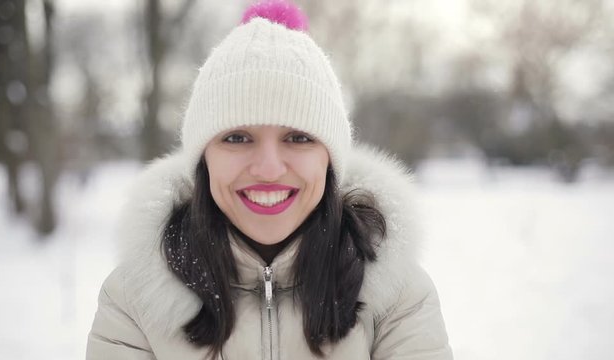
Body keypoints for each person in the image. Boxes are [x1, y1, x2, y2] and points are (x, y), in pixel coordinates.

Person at [86, 1, 452, 359]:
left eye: (298, 137)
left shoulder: (397, 296)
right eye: (237, 138)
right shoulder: (134, 300)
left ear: (329, 159)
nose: (268, 169)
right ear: (203, 159)